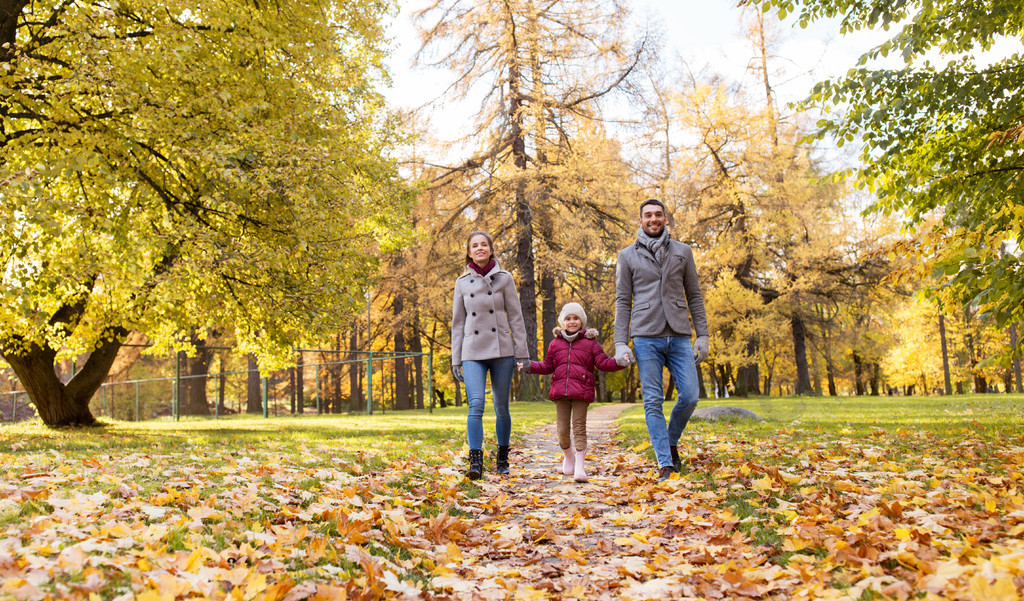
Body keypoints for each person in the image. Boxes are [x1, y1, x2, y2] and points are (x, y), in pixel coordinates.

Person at [614, 199, 710, 482]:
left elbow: (694, 295)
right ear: (640, 220)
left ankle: (670, 439)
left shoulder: (683, 252)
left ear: (665, 219)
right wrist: (621, 342)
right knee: (653, 401)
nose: (653, 219)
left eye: (658, 214)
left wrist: (702, 335)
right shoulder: (627, 256)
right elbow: (623, 300)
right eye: (647, 215)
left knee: (691, 395)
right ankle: (665, 463)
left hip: (679, 333)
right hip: (645, 335)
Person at [451, 231, 530, 480]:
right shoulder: (462, 283)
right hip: (472, 350)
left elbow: (516, 318)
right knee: (476, 405)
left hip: (501, 350)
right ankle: (475, 461)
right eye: (475, 245)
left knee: (501, 407)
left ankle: (502, 458)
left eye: (484, 244)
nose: (479, 248)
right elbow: (457, 324)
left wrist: (522, 353)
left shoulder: (505, 279)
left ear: (491, 249)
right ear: (469, 251)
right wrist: (455, 359)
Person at [519, 302, 626, 482]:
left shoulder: (590, 343)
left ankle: (580, 467)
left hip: (581, 393)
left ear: (581, 321)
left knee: (579, 428)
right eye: (568, 318)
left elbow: (602, 362)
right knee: (562, 430)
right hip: (560, 393)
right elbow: (547, 366)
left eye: (576, 318)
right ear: (562, 322)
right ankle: (569, 457)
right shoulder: (555, 344)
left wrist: (618, 361)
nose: (572, 322)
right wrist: (530, 366)